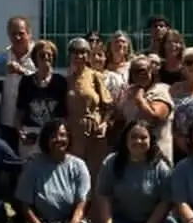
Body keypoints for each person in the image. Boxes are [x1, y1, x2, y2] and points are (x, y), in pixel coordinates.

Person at [96, 119, 177, 223]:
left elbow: (166, 201)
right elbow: (104, 194)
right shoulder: (112, 162)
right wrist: (106, 222)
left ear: (150, 140)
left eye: (143, 138)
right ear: (125, 139)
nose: (138, 142)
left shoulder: (160, 166)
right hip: (123, 219)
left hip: (155, 222)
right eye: (133, 137)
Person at [16, 120, 95, 223]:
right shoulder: (33, 164)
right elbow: (25, 206)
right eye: (53, 136)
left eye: (63, 135)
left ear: (69, 138)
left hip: (69, 220)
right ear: (45, 139)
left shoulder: (78, 165)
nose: (58, 139)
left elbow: (83, 199)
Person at [64, 37, 113, 178]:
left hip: (94, 131)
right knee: (75, 173)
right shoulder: (67, 80)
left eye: (83, 52)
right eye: (75, 52)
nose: (79, 56)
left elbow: (109, 105)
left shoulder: (95, 76)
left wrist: (104, 123)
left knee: (95, 173)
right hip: (74, 133)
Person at [112, 55, 174, 162]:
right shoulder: (128, 93)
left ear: (151, 72)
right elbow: (120, 120)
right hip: (133, 154)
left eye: (143, 70)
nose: (141, 74)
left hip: (158, 155)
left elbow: (155, 118)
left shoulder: (162, 90)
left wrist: (140, 100)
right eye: (136, 72)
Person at [16, 40, 68, 155]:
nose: (46, 57)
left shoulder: (61, 82)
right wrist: (21, 133)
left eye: (50, 55)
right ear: (35, 58)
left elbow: (64, 114)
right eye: (42, 55)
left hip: (53, 133)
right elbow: (19, 112)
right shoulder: (26, 82)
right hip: (31, 133)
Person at [0, 16, 35, 154]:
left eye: (21, 33)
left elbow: (44, 80)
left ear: (29, 33)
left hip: (31, 121)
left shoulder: (39, 54)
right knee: (9, 164)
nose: (18, 37)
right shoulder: (3, 56)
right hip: (8, 120)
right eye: (13, 34)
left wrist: (22, 71)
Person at [103, 32, 133, 101]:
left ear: (128, 46)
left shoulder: (133, 65)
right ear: (110, 46)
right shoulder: (103, 66)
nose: (120, 44)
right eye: (116, 42)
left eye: (123, 42)